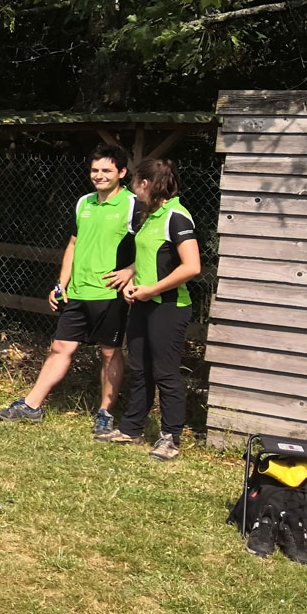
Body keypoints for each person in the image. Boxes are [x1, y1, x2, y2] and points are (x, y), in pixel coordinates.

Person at [0, 144, 139, 435]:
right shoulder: (84, 202)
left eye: (106, 170)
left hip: (109, 294)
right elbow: (73, 244)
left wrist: (131, 271)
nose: (99, 175)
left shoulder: (134, 204)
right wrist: (61, 284)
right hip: (77, 292)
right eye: (95, 170)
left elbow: (151, 245)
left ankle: (105, 414)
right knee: (60, 347)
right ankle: (31, 406)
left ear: (122, 172)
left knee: (109, 353)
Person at [95, 158, 200, 460]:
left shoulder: (177, 217)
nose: (132, 189)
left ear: (145, 183)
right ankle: (132, 429)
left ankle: (171, 438)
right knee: (140, 368)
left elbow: (192, 266)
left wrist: (152, 290)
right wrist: (133, 281)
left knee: (165, 372)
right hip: (143, 304)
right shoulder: (150, 216)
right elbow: (149, 259)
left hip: (169, 307)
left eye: (134, 183)